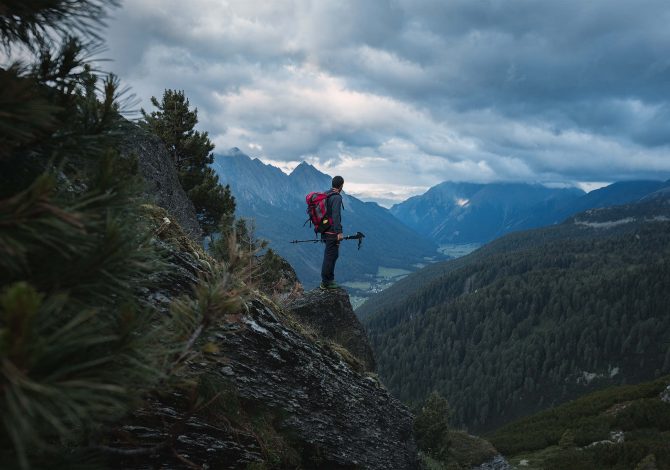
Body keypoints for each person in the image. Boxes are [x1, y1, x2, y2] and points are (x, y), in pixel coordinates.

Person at [320, 175, 344, 289]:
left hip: (324, 230)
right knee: (330, 255)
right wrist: (339, 232)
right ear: (341, 185)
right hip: (332, 232)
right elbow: (336, 215)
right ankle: (326, 282)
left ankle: (329, 279)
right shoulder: (337, 197)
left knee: (333, 255)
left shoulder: (326, 194)